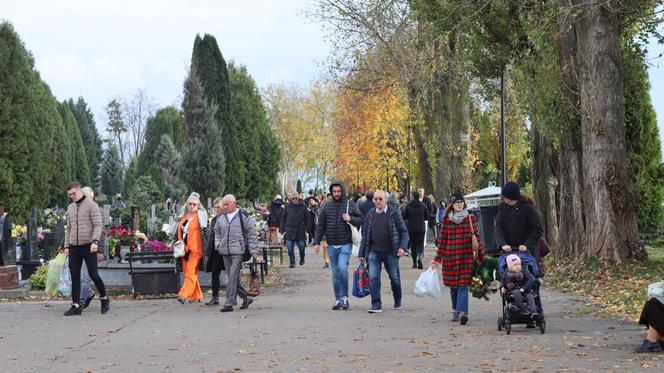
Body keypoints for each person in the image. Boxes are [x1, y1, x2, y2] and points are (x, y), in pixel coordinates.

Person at [431, 192, 483, 325]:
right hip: (450, 258)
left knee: (463, 286)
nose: (459, 206)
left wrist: (481, 255)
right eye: (456, 204)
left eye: (461, 203)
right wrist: (437, 259)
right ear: (452, 205)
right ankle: (455, 310)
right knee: (453, 287)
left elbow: (476, 238)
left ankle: (463, 312)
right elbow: (442, 241)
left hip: (466, 257)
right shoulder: (447, 221)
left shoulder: (470, 218)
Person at [313, 181, 363, 310]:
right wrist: (316, 242)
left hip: (345, 243)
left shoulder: (350, 204)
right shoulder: (327, 206)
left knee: (342, 269)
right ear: (331, 192)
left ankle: (345, 298)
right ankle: (338, 299)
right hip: (331, 244)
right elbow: (321, 226)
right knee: (335, 274)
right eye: (334, 191)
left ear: (342, 191)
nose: (336, 194)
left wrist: (350, 218)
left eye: (339, 191)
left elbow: (361, 219)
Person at [62, 181, 109, 316]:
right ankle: (76, 305)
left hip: (89, 246)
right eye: (69, 194)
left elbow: (98, 225)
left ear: (80, 191)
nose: (72, 196)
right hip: (74, 247)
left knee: (93, 274)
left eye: (73, 193)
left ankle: (104, 297)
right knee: (75, 276)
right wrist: (66, 245)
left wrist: (95, 241)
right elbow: (69, 228)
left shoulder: (92, 206)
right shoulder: (70, 207)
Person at [358, 190, 409, 313]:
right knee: (374, 277)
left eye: (380, 199)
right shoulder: (370, 214)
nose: (377, 201)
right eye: (375, 199)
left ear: (386, 199)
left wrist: (403, 247)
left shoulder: (394, 212)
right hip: (373, 251)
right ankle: (376, 304)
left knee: (394, 277)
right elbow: (365, 235)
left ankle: (397, 299)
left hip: (391, 251)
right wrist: (361, 253)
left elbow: (404, 231)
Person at [214, 194, 260, 313]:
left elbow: (251, 233)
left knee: (233, 276)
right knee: (232, 278)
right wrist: (218, 245)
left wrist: (253, 250)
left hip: (238, 251)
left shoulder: (243, 216)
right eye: (223, 204)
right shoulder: (221, 217)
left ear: (234, 203)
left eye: (227, 204)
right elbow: (217, 232)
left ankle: (229, 303)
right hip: (225, 250)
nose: (224, 207)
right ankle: (246, 298)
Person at [174, 192, 208, 304]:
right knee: (188, 273)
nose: (192, 206)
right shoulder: (182, 216)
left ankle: (183, 294)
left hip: (196, 250)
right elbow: (174, 232)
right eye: (190, 204)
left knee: (190, 272)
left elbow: (207, 232)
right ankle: (196, 295)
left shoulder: (201, 216)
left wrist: (207, 250)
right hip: (183, 250)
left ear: (198, 205)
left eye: (194, 204)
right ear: (187, 204)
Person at [495, 181, 544, 255]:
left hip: (526, 251)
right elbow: (499, 226)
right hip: (508, 250)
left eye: (504, 197)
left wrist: (527, 245)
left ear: (509, 197)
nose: (503, 199)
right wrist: (503, 243)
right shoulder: (502, 207)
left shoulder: (528, 208)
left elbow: (538, 228)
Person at [500, 254, 538, 319]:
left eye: (519, 264)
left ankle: (533, 312)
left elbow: (531, 279)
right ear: (510, 267)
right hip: (512, 291)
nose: (517, 266)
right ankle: (522, 309)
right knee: (516, 292)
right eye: (515, 265)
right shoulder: (507, 274)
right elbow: (503, 283)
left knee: (530, 295)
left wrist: (524, 287)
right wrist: (502, 288)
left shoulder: (524, 271)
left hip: (525, 290)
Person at [204, 197, 225, 306]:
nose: (217, 209)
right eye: (216, 207)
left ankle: (234, 297)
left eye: (219, 207)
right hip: (215, 251)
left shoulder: (227, 218)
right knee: (215, 274)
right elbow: (211, 237)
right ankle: (215, 297)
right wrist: (207, 253)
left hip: (226, 250)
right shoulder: (214, 220)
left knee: (232, 275)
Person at [280, 193, 309, 268]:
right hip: (290, 230)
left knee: (302, 247)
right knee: (289, 248)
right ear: (291, 199)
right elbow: (283, 218)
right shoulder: (287, 207)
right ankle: (292, 262)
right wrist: (282, 229)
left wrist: (308, 228)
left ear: (298, 198)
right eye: (293, 198)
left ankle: (302, 259)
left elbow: (307, 218)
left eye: (296, 198)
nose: (294, 200)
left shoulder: (303, 207)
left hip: (300, 230)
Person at [403, 190, 428, 269]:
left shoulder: (408, 205)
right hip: (421, 227)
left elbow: (404, 217)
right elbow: (426, 217)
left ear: (412, 196)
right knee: (420, 244)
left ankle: (414, 263)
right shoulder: (423, 205)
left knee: (413, 245)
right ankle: (420, 255)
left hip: (411, 227)